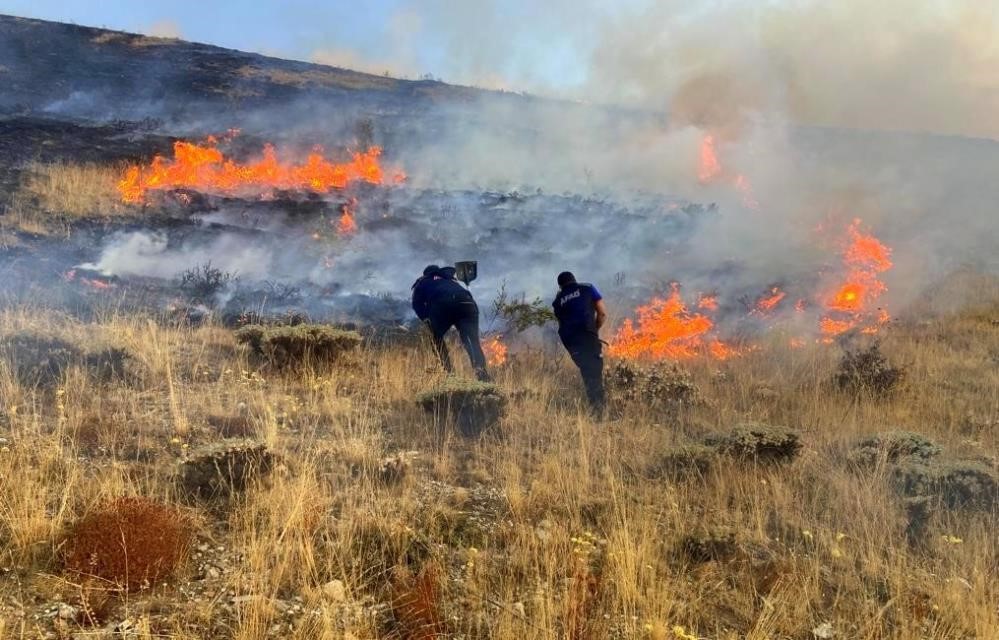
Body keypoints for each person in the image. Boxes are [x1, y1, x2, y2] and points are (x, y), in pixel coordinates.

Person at [412, 264, 491, 381]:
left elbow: (416, 304)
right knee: (472, 341)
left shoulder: (423, 282)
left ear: (426, 274)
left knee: (436, 339)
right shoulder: (450, 279)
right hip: (467, 303)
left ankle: (449, 375)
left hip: (443, 305)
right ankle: (482, 376)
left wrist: (426, 318)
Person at [552, 271, 607, 416]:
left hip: (571, 342)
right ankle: (600, 413)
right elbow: (602, 313)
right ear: (574, 279)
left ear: (560, 286)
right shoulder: (587, 288)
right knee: (595, 372)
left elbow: (561, 322)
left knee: (587, 373)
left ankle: (596, 409)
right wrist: (595, 330)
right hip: (588, 336)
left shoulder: (558, 301)